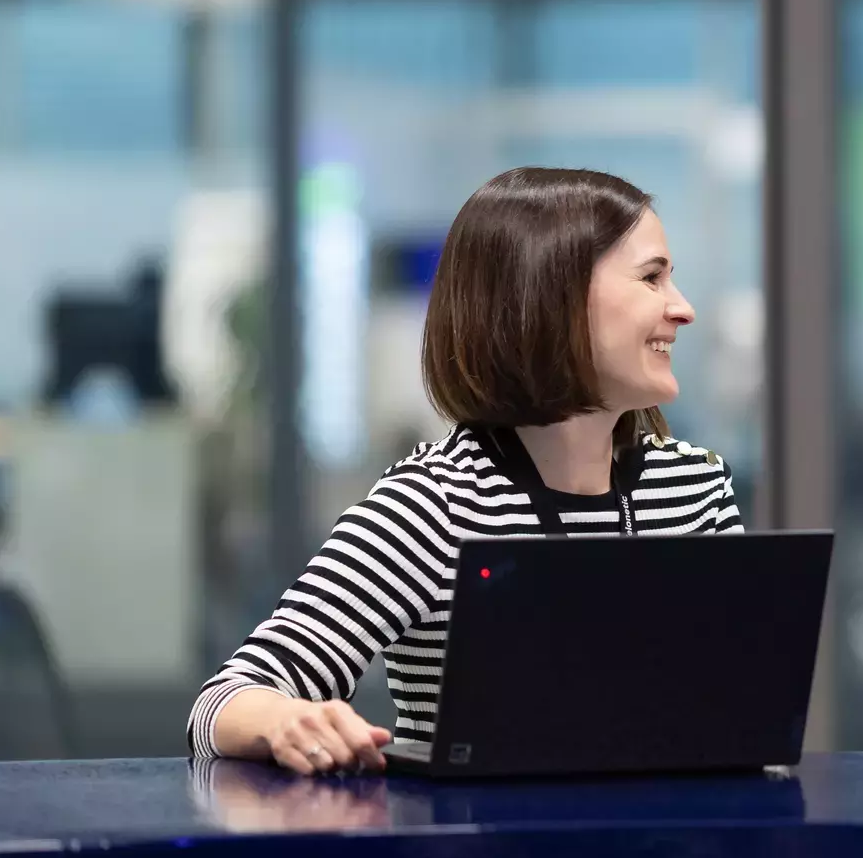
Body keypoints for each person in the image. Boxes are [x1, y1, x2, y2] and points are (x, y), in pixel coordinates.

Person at [188, 167, 741, 774]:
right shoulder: (435, 504)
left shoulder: (695, 487)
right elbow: (222, 703)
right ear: (551, 294)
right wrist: (289, 721)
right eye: (652, 278)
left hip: (677, 857)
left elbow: (738, 714)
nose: (682, 309)